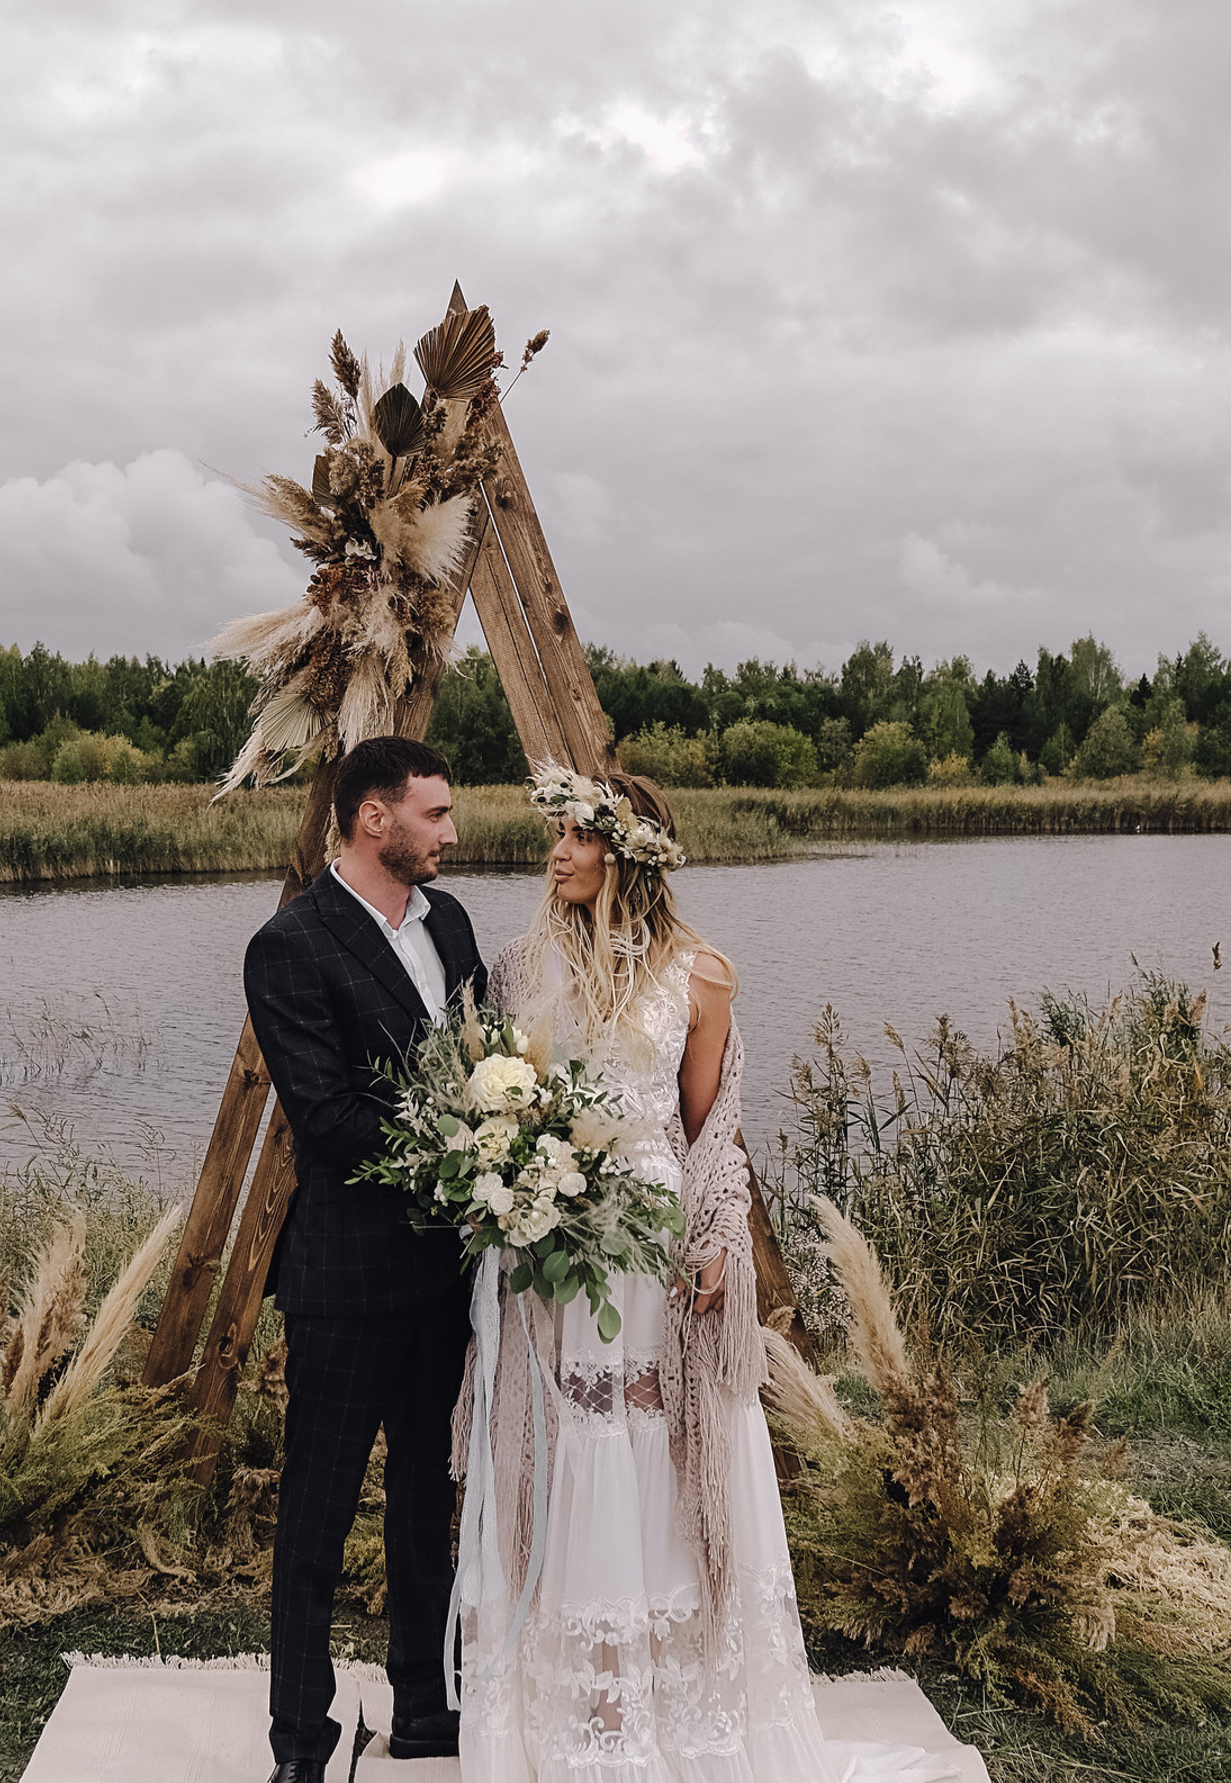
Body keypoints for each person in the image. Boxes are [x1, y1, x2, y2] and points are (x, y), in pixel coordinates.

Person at [455, 766, 964, 1783]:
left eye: (575, 837)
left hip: (655, 1241)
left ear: (630, 850)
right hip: (555, 1245)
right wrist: (510, 1184)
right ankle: (590, 1707)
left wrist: (722, 1233)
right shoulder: (519, 967)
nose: (555, 852)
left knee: (661, 1445)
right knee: (570, 1443)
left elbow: (712, 1129)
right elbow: (504, 1105)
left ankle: (679, 1700)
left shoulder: (701, 973)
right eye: (552, 836)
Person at [245, 735, 488, 1783]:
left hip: (444, 1274)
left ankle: (425, 1707)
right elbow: (332, 1119)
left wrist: (506, 1131)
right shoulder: (290, 946)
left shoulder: (453, 923)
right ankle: (300, 1738)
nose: (449, 831)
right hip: (345, 1283)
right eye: (432, 815)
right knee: (316, 1512)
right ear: (372, 819)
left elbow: (491, 1057)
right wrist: (468, 1136)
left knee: (425, 1496)